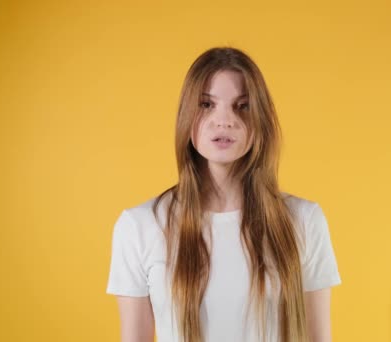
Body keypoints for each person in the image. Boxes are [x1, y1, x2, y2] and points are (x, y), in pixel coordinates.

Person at [106, 46, 342, 342]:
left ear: (261, 120)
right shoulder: (139, 226)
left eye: (242, 106)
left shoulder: (304, 221)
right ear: (186, 115)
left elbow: (318, 337)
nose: (224, 120)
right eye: (207, 105)